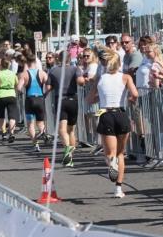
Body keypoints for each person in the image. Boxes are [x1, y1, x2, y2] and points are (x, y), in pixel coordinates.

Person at [90, 50, 138, 198]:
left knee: (109, 153)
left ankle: (111, 164)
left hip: (106, 114)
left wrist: (100, 97)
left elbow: (90, 99)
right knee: (120, 154)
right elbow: (135, 94)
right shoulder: (126, 77)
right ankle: (118, 188)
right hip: (121, 114)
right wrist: (129, 99)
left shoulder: (100, 78)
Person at [45, 52, 86, 167]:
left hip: (60, 100)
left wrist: (48, 90)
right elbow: (80, 81)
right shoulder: (75, 69)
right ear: (70, 59)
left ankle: (67, 151)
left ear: (58, 58)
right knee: (71, 130)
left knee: (62, 129)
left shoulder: (53, 70)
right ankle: (70, 155)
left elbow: (48, 87)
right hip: (73, 99)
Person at [17, 55, 49, 152]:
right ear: (35, 62)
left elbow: (18, 87)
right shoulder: (42, 73)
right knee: (40, 121)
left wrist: (20, 92)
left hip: (29, 99)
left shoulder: (24, 74)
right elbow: (48, 85)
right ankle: (43, 132)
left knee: (30, 124)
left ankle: (35, 144)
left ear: (26, 63)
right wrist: (45, 94)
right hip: (40, 99)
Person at [0, 57, 19, 143]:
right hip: (11, 94)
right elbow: (17, 84)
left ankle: (4, 133)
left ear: (1, 65)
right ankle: (11, 133)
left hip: (1, 95)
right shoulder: (13, 74)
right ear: (9, 65)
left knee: (1, 115)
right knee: (11, 116)